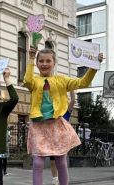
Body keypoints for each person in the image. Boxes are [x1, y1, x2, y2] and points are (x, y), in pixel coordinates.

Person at [24, 47, 103, 185]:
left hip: (56, 125)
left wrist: (94, 67)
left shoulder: (61, 80)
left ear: (54, 63)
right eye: (41, 61)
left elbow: (82, 82)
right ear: (37, 64)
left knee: (61, 161)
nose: (44, 64)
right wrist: (30, 59)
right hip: (39, 126)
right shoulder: (34, 81)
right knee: (37, 163)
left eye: (48, 61)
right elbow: (27, 81)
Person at [49, 90, 75, 185]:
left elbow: (72, 101)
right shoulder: (52, 113)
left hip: (62, 142)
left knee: (61, 163)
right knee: (52, 162)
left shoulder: (66, 113)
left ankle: (63, 180)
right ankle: (55, 179)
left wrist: (72, 89)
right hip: (52, 140)